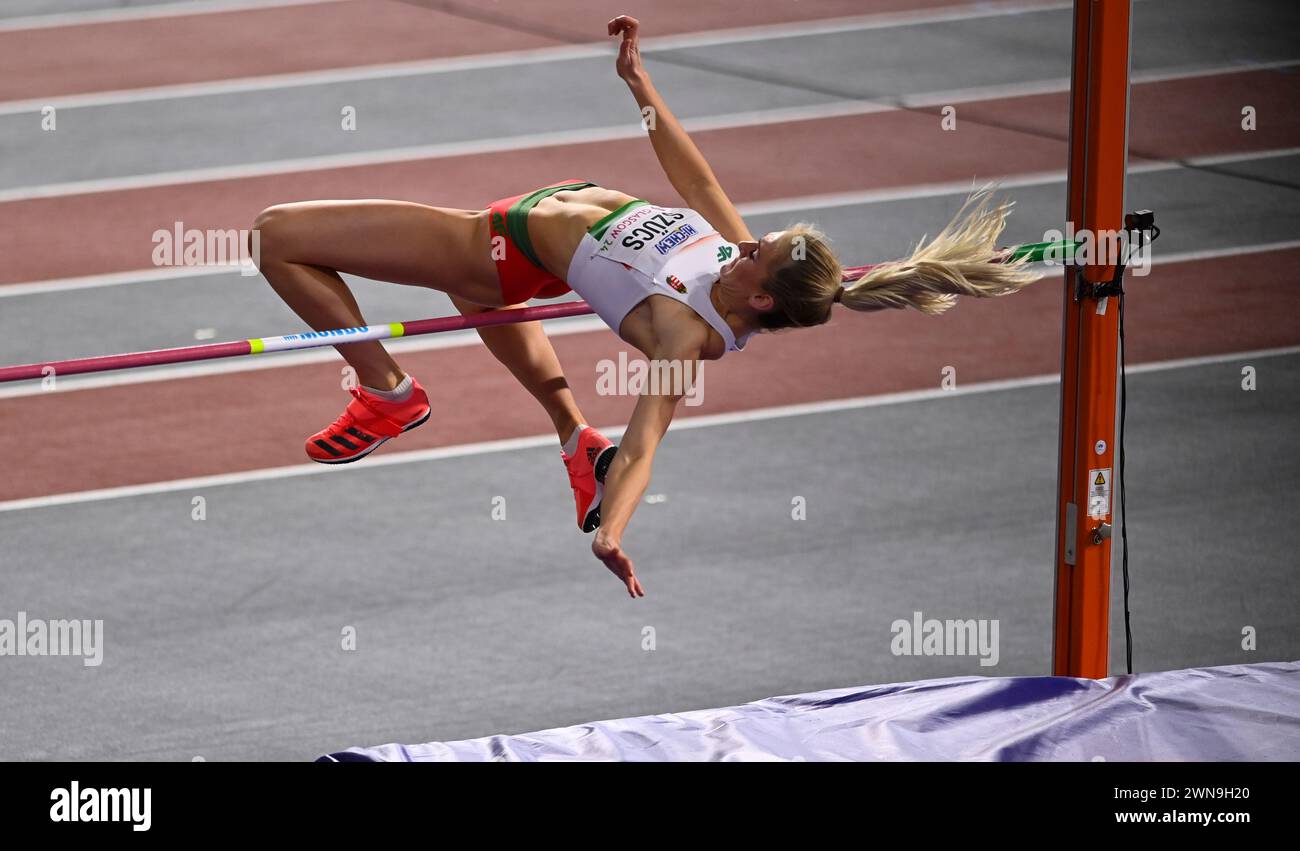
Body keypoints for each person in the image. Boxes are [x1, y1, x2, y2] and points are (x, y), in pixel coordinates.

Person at [251, 15, 1039, 597]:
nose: (747, 240)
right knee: (475, 296)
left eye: (759, 250)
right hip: (527, 245)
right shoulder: (734, 261)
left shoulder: (684, 335)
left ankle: (389, 393)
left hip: (497, 246)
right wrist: (642, 87)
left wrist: (615, 529)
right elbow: (696, 182)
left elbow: (645, 443)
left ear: (759, 296)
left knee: (276, 237)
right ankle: (569, 438)